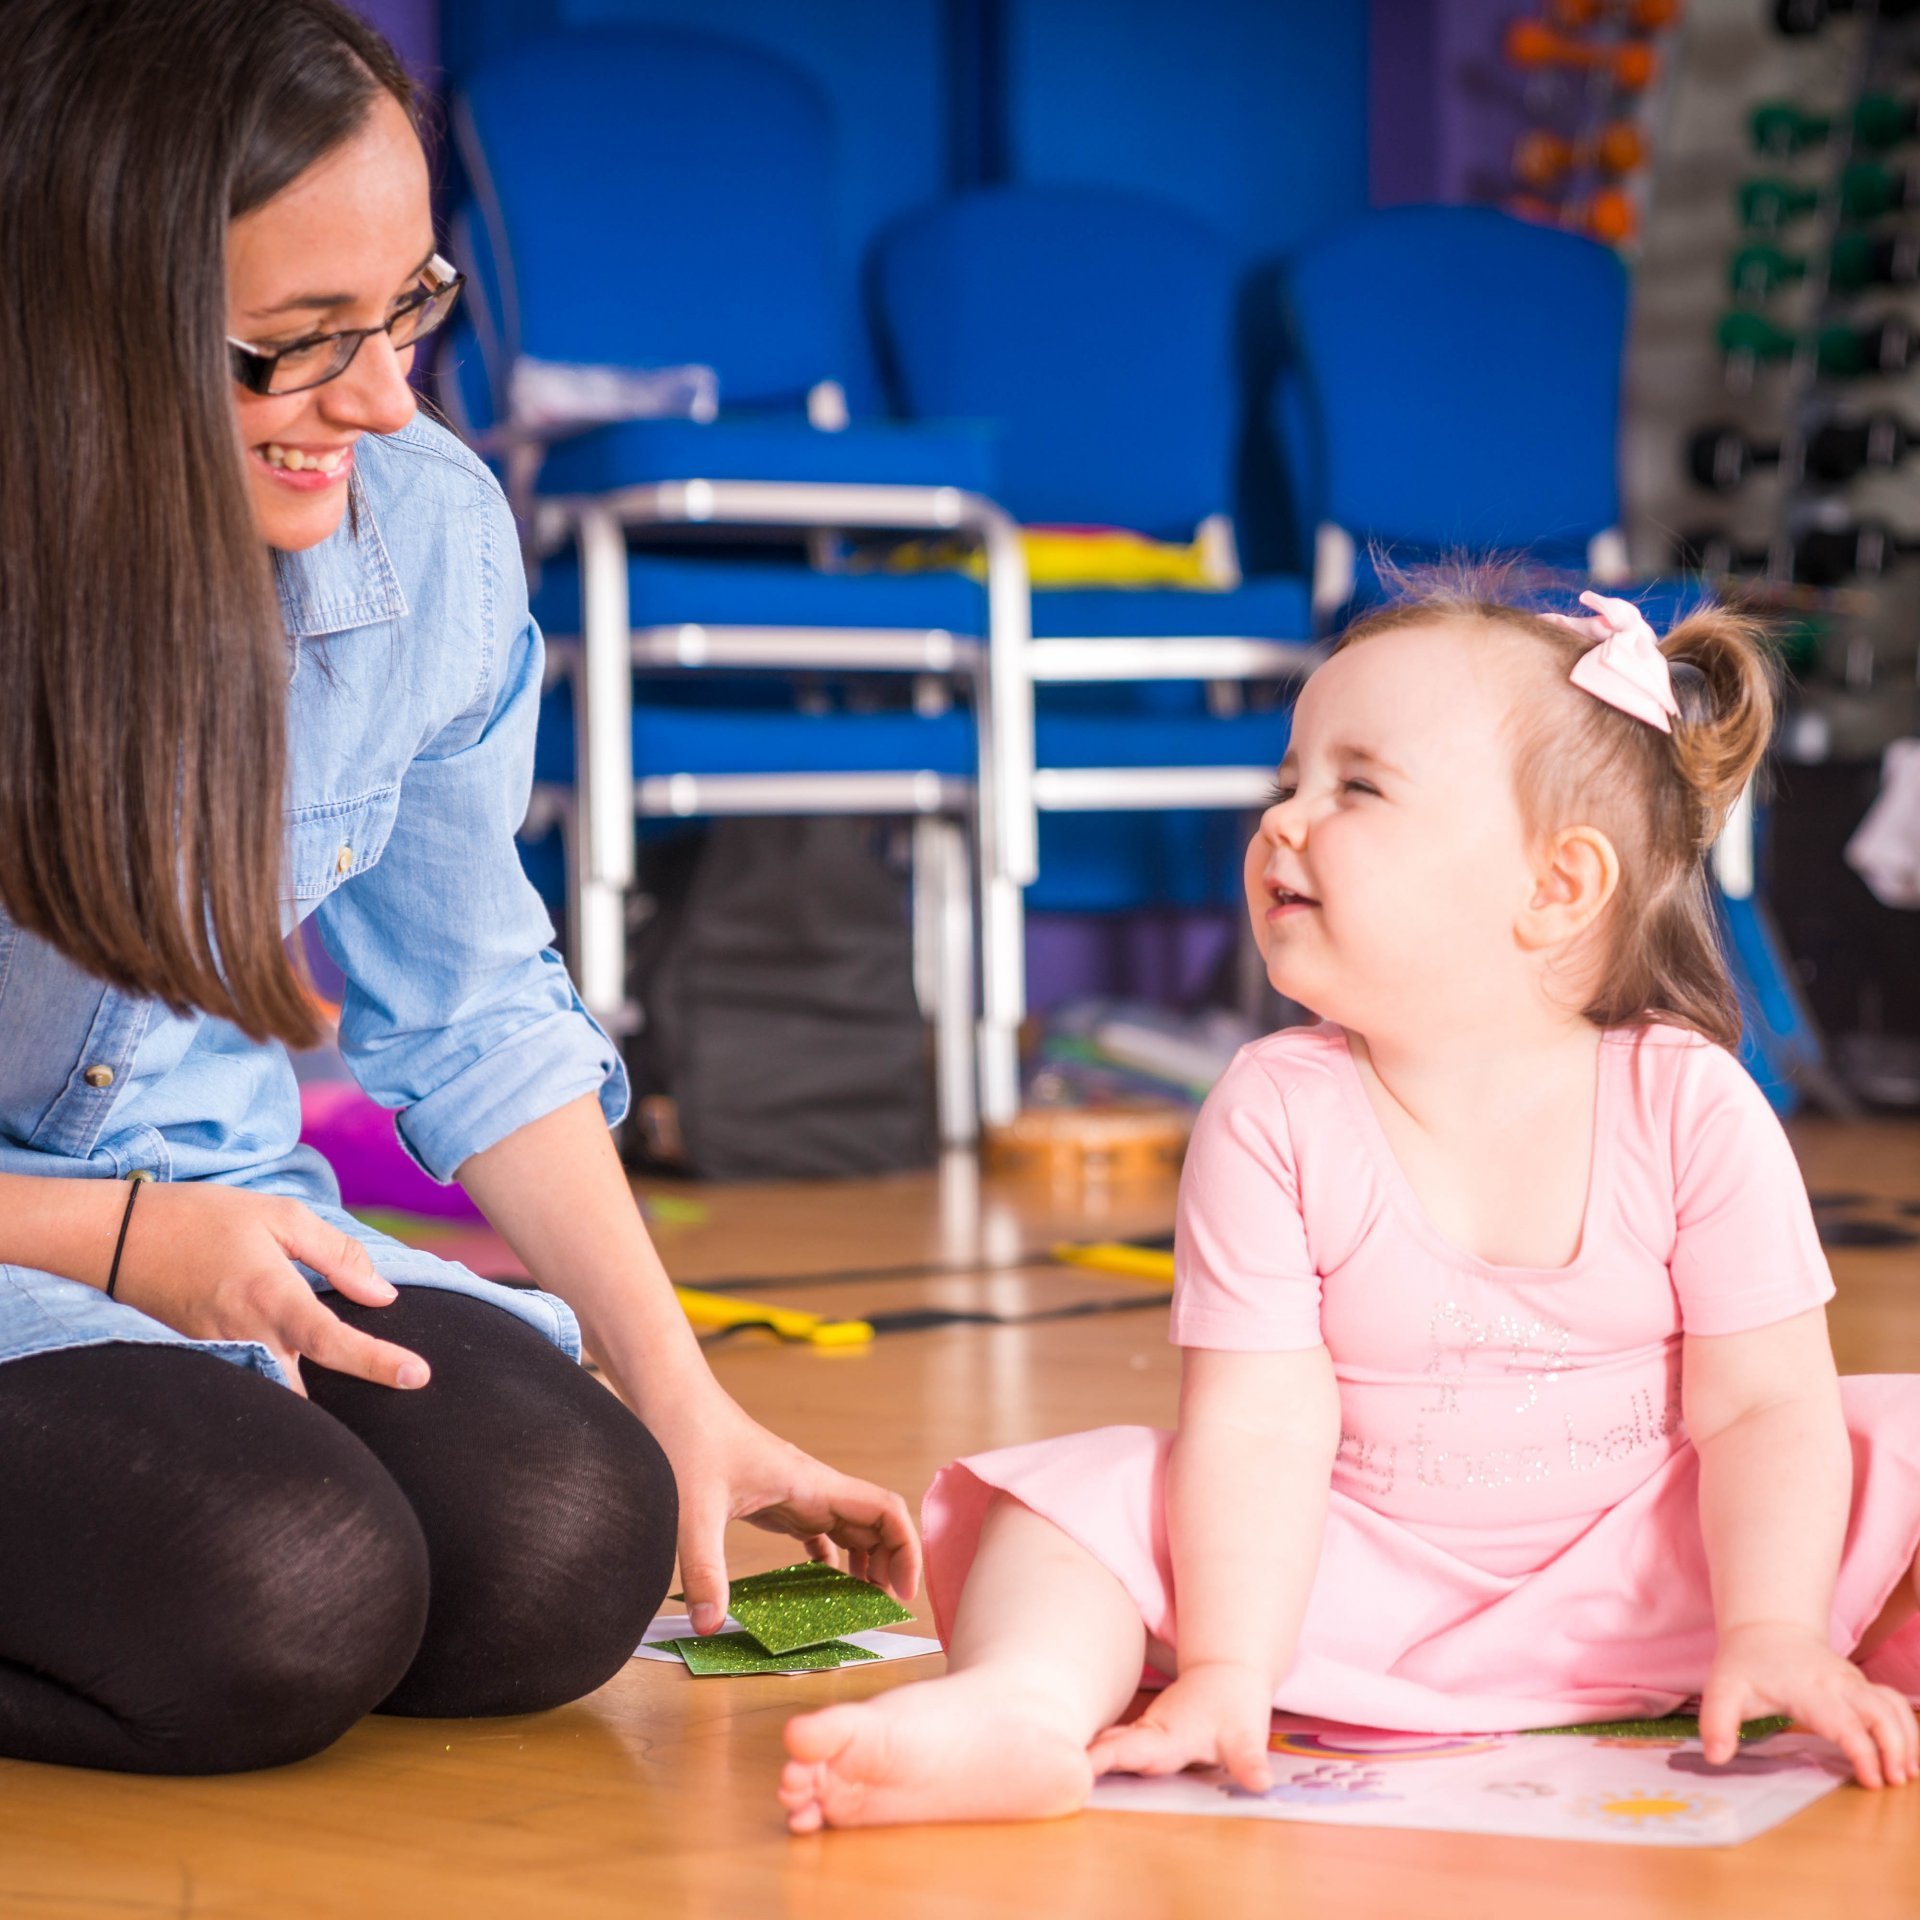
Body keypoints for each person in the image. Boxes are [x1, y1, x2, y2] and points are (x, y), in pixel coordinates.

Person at [0, 0, 915, 1776]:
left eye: (411, 304)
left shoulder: (420, 526)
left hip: (218, 1218)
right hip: (62, 1240)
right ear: (72, 326)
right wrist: (116, 1242)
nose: (386, 398)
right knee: (284, 1597)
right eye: (296, 341)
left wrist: (682, 1390)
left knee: (573, 1546)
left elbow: (479, 1006)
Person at [779, 576, 1920, 1831]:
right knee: (1079, 1505)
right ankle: (1024, 1705)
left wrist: (1773, 1624)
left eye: (1355, 788)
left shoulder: (1690, 1104)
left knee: (1890, 1440)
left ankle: (1830, 1667)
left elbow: (1764, 1409)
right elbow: (1259, 1432)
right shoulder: (1271, 1110)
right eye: (1290, 781)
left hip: (1679, 1577)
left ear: (1558, 886)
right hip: (1343, 1591)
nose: (1283, 820)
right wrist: (1227, 1670)